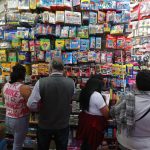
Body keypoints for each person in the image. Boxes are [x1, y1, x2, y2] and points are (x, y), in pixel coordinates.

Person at [27, 57, 75, 150]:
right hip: (63, 124)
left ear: (50, 68)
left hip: (45, 124)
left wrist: (40, 108)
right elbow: (69, 99)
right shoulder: (71, 82)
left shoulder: (41, 82)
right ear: (63, 68)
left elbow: (31, 104)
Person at [111, 70, 150, 150]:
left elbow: (113, 113)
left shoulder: (127, 98)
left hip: (126, 142)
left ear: (136, 84)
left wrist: (113, 102)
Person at [2, 64, 31, 150]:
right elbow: (31, 104)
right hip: (19, 120)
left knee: (16, 142)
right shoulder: (24, 88)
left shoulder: (6, 85)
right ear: (23, 75)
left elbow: (4, 101)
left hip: (8, 118)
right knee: (18, 144)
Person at [77, 77, 109, 150]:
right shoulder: (96, 95)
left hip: (86, 121)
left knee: (86, 143)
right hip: (94, 125)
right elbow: (106, 113)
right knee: (92, 143)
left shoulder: (84, 92)